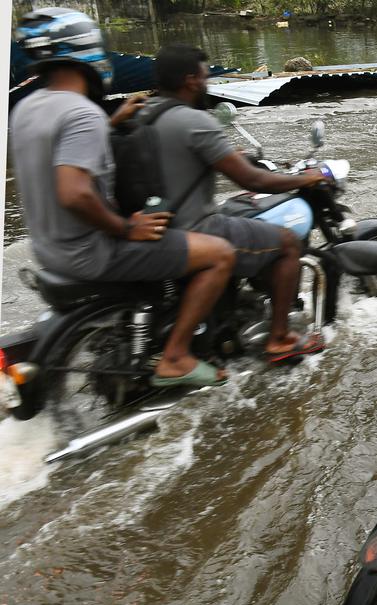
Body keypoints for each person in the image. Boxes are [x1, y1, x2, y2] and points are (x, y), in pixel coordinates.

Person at [10, 8, 235, 388]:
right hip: (91, 252)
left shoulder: (26, 109)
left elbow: (61, 157)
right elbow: (74, 192)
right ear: (86, 49)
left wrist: (110, 123)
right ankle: (176, 357)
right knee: (220, 254)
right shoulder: (83, 113)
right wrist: (126, 227)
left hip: (49, 250)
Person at [147, 44, 330, 362]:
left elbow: (178, 160)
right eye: (205, 76)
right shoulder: (194, 120)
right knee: (286, 243)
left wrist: (232, 157)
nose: (207, 83)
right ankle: (280, 338)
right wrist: (307, 178)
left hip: (153, 224)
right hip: (194, 228)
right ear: (191, 80)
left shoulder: (144, 114)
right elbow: (254, 182)